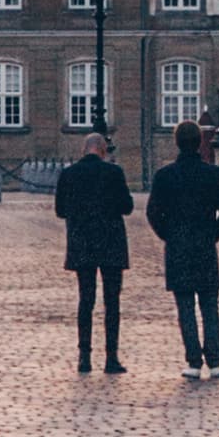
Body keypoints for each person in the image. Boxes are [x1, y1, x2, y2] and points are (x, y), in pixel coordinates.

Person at [145, 121, 219, 377]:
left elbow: (153, 212)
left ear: (177, 142)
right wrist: (213, 234)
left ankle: (194, 362)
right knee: (209, 306)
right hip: (205, 246)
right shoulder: (213, 174)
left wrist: (168, 235)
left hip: (178, 247)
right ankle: (215, 361)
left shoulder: (165, 175)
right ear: (200, 142)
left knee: (185, 306)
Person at [54, 131, 134, 374]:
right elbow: (127, 207)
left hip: (82, 243)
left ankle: (84, 357)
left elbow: (60, 210)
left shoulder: (69, 174)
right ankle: (111, 358)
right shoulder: (114, 173)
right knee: (112, 302)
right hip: (111, 243)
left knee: (85, 300)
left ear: (84, 149)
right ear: (102, 149)